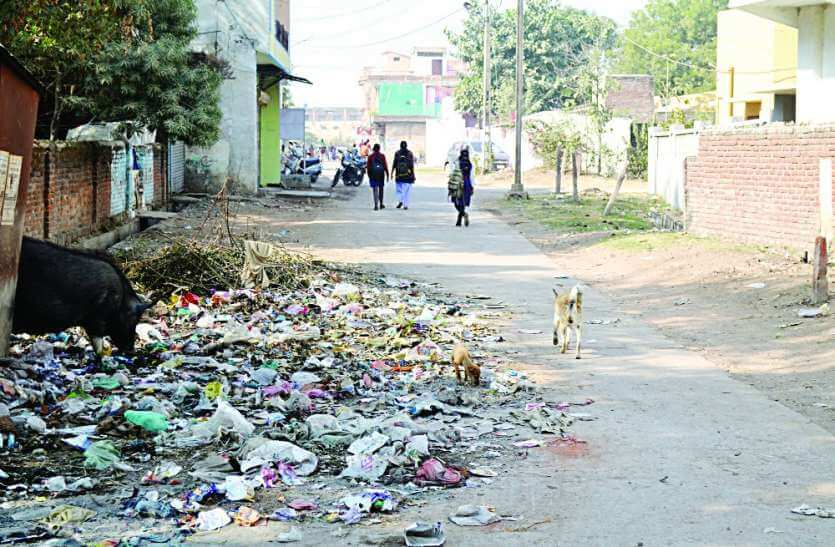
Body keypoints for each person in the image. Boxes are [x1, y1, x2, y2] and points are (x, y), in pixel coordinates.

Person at [449, 148, 474, 227]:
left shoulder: (457, 162)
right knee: (463, 203)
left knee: (456, 202)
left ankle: (462, 215)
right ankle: (459, 219)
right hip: (467, 184)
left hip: (457, 183)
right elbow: (472, 176)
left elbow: (452, 173)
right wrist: (472, 186)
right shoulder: (470, 164)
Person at [391, 141, 416, 210]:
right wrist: (413, 175)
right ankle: (405, 205)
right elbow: (411, 165)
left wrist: (392, 173)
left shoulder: (397, 153)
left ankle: (400, 201)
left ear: (400, 146)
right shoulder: (410, 153)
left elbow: (394, 163)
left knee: (399, 190)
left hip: (398, 175)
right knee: (406, 191)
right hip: (407, 175)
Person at [366, 143, 389, 211]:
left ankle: (376, 205)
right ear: (379, 149)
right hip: (381, 174)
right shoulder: (382, 156)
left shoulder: (370, 156)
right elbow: (385, 166)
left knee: (375, 190)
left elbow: (368, 167)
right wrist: (387, 174)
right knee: (381, 189)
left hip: (373, 175)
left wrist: (369, 175)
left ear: (373, 148)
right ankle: (381, 204)